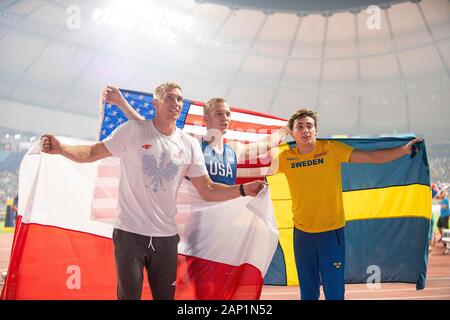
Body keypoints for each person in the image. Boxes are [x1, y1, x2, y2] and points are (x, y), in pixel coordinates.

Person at [41, 82, 266, 300]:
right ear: (155, 104)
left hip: (166, 238)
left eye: (179, 99)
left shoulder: (189, 145)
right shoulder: (132, 131)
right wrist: (62, 148)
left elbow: (207, 189)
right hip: (129, 234)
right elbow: (92, 152)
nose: (176, 102)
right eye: (169, 97)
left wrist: (244, 189)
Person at [102, 86, 288, 298]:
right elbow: (148, 130)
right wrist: (122, 104)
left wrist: (286, 130)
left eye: (227, 114)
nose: (225, 118)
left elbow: (263, 145)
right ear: (206, 119)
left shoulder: (233, 149)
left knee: (220, 283)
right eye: (219, 113)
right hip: (198, 228)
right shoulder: (191, 144)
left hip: (224, 228)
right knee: (194, 287)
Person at [270, 108, 422, 300]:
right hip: (302, 235)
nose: (305, 130)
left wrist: (403, 150)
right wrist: (280, 132)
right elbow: (257, 164)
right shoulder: (285, 158)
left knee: (334, 293)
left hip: (331, 234)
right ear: (292, 132)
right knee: (308, 293)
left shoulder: (331, 149)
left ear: (316, 130)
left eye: (309, 126)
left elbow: (371, 158)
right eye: (300, 127)